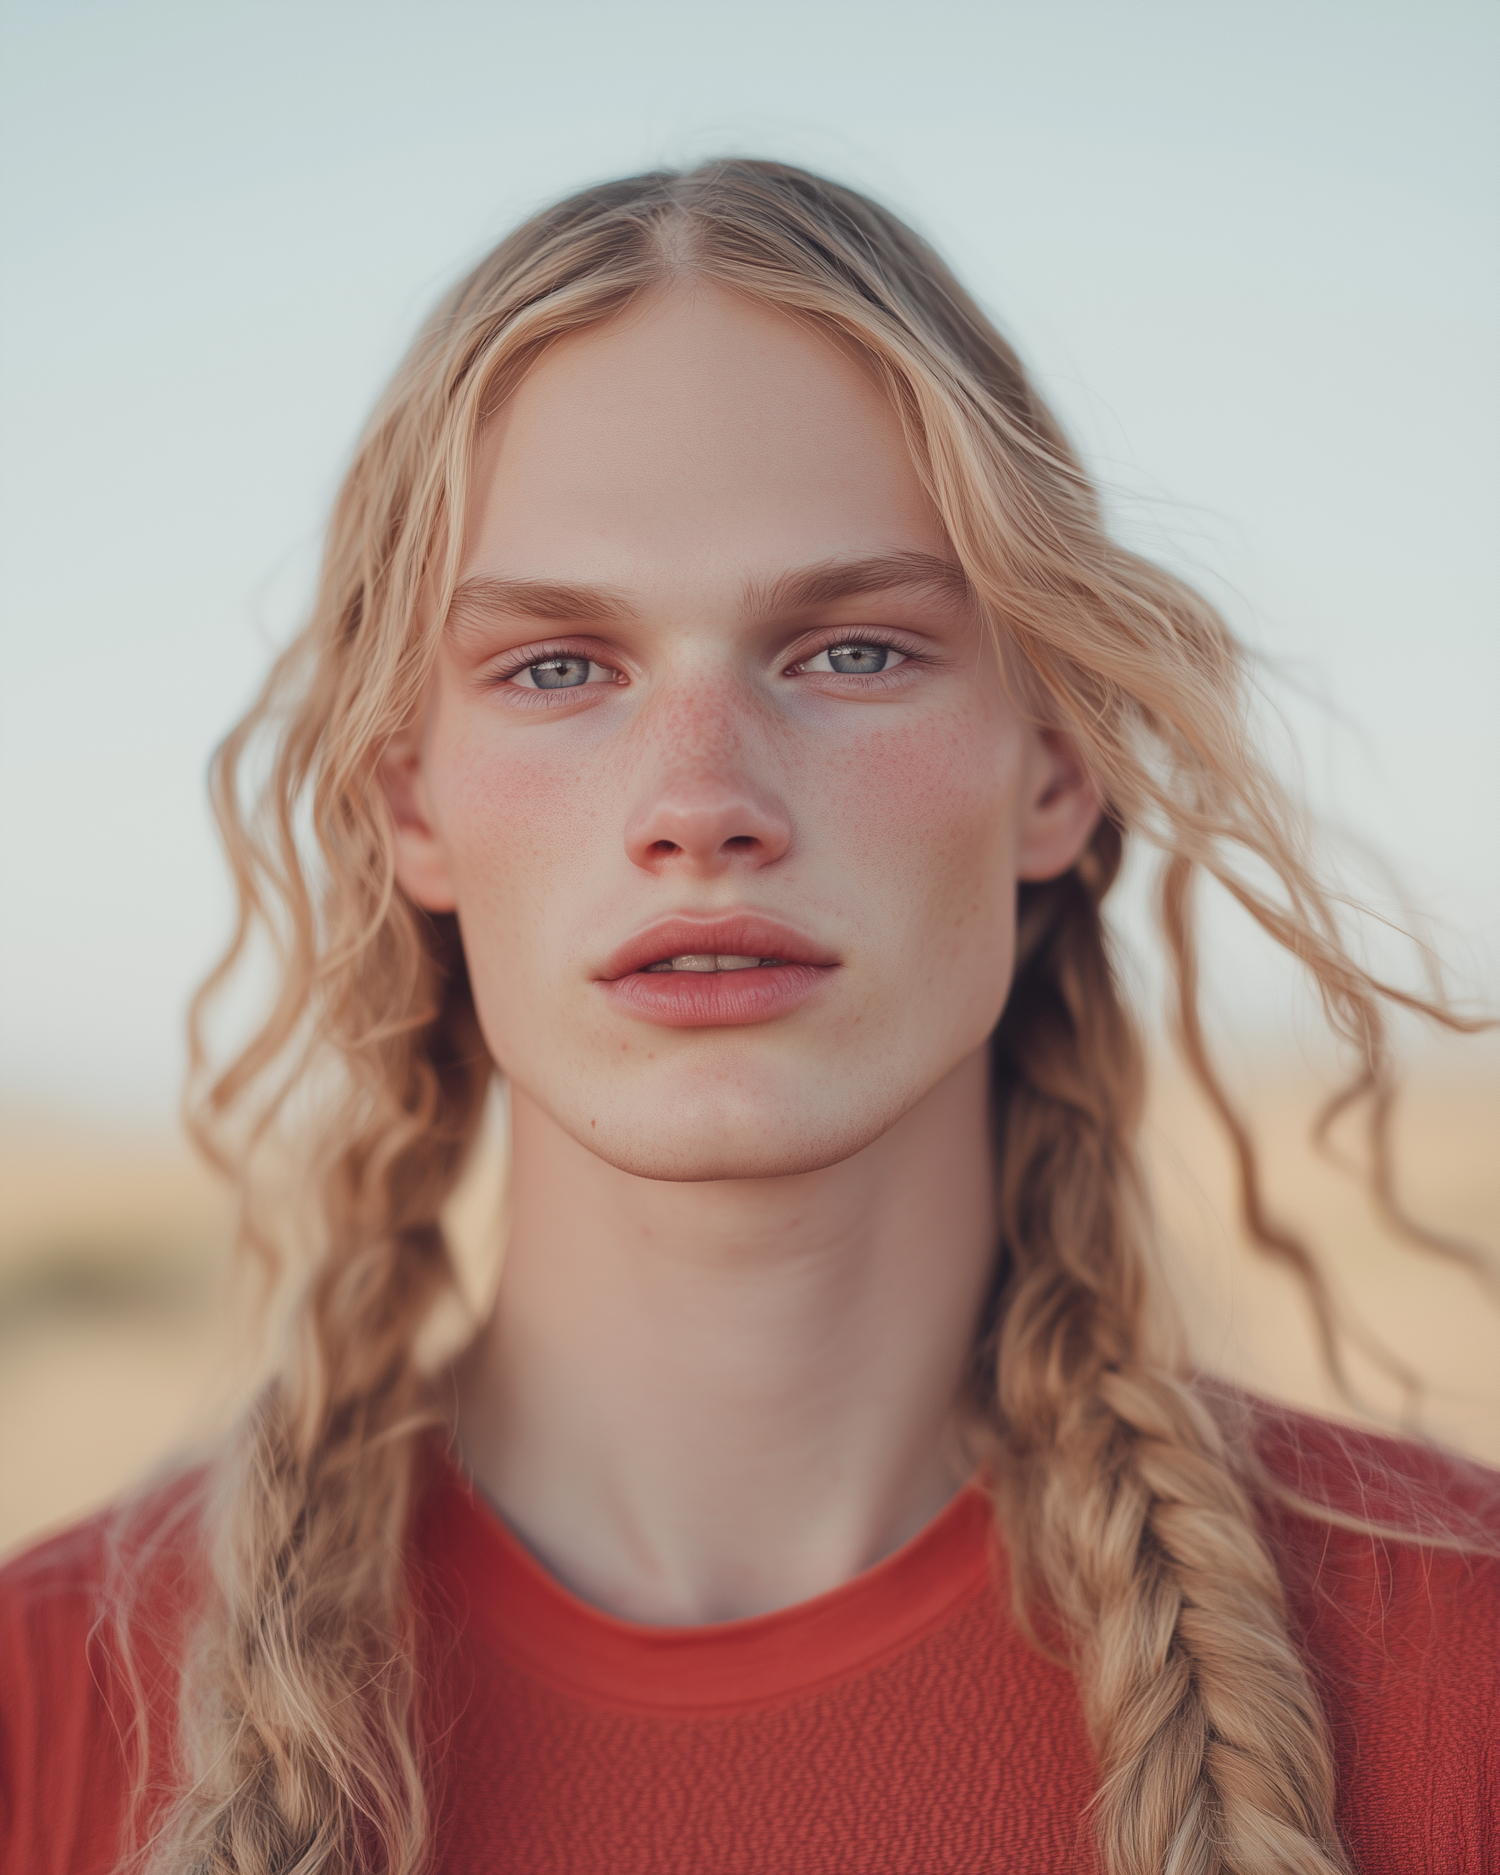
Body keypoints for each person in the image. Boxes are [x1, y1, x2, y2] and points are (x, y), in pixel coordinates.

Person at [1, 160, 1496, 1875]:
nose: (701, 802)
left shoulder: (1459, 1662)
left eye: (851, 650)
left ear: (1058, 774)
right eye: (561, 666)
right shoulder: (47, 1708)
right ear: (412, 801)